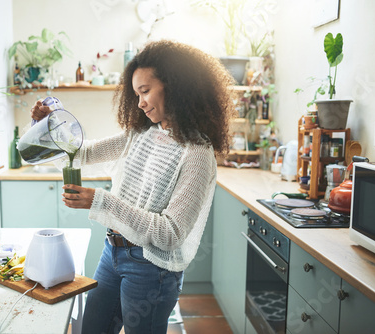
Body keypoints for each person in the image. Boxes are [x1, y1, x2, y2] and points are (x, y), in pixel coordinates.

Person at [31, 40, 235, 334]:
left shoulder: (197, 154)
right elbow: (83, 154)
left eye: (145, 91)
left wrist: (101, 201)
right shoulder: (140, 134)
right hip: (112, 252)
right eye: (136, 93)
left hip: (152, 269)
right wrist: (47, 126)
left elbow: (170, 233)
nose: (139, 102)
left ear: (176, 87)